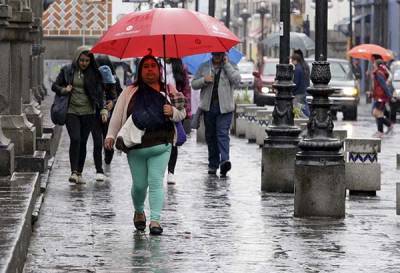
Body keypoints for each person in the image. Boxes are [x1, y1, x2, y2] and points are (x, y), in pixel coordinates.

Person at [104, 55, 186, 235]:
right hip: (136, 146)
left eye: (153, 66)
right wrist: (111, 135)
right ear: (140, 71)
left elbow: (182, 113)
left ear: (159, 70)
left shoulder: (169, 90)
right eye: (145, 66)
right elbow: (118, 115)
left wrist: (172, 111)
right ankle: (139, 210)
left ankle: (155, 220)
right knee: (140, 185)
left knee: (156, 182)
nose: (150, 70)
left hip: (162, 145)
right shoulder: (130, 91)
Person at [52, 46, 107, 183]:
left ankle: (79, 172)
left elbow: (100, 93)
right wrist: (64, 90)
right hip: (72, 110)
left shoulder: (94, 73)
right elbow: (55, 86)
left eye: (87, 61)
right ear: (77, 58)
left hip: (88, 112)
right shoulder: (67, 70)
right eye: (82, 60)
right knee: (75, 139)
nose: (84, 63)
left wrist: (103, 108)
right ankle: (73, 171)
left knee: (83, 141)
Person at [191, 52, 241, 177]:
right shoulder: (204, 67)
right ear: (212, 54)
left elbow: (237, 80)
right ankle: (213, 164)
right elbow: (194, 84)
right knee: (211, 136)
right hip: (209, 108)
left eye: (220, 53)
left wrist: (227, 65)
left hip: (225, 108)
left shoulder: (231, 65)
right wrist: (204, 80)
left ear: (224, 54)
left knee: (223, 134)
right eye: (215, 54)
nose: (217, 56)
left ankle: (224, 161)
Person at [163, 58, 191, 184]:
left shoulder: (181, 67)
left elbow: (186, 89)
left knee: (173, 139)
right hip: (159, 104)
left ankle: (171, 172)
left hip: (175, 106)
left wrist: (186, 109)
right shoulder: (156, 65)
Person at [93, 55, 123, 170]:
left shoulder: (114, 79)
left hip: (110, 115)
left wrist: (113, 103)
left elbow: (120, 96)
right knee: (97, 141)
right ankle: (99, 168)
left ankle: (108, 159)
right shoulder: (94, 79)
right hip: (96, 114)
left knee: (108, 138)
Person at [370, 59, 393, 138]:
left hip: (381, 97)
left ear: (377, 65)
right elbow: (376, 86)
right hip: (378, 96)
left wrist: (389, 96)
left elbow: (384, 86)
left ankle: (384, 129)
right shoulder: (377, 73)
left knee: (377, 113)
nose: (373, 64)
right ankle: (381, 131)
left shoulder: (379, 73)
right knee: (377, 113)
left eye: (374, 63)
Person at [291, 52, 309, 117]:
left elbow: (296, 82)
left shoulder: (297, 69)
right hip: (302, 91)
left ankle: (306, 119)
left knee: (297, 108)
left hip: (298, 92)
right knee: (303, 106)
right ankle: (308, 117)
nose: (291, 62)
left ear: (295, 60)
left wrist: (292, 90)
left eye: (292, 60)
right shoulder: (301, 67)